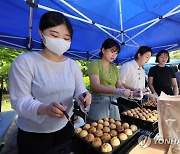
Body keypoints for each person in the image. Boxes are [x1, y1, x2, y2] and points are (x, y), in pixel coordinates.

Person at [8, 11, 91, 154]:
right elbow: (19, 100)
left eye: (66, 38)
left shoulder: (72, 65)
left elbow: (79, 90)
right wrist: (45, 109)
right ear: (41, 33)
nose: (60, 41)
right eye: (54, 35)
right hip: (33, 133)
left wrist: (84, 96)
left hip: (65, 127)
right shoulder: (25, 62)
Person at [87, 38, 133, 121]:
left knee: (115, 127)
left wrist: (129, 92)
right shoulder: (95, 64)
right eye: (112, 51)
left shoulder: (114, 68)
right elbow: (95, 86)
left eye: (116, 53)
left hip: (113, 102)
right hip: (98, 102)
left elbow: (119, 85)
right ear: (103, 50)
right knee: (98, 129)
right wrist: (116, 91)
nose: (114, 55)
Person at [118, 46, 157, 112]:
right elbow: (120, 83)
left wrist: (150, 95)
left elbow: (142, 89)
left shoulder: (142, 71)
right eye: (147, 57)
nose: (148, 60)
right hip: (125, 101)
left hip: (137, 102)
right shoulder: (127, 66)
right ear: (139, 55)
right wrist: (135, 89)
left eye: (149, 58)